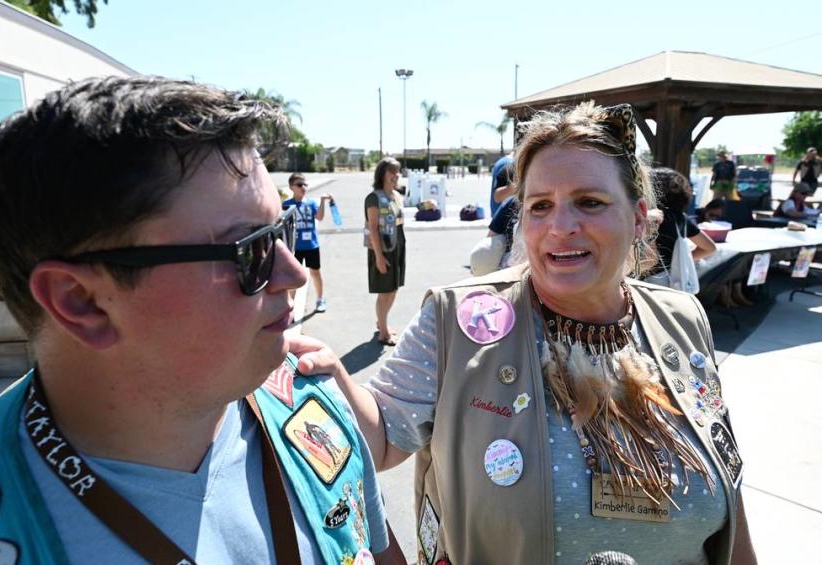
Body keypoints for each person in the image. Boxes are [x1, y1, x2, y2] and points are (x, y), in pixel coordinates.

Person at [0, 77, 404, 565]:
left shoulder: (313, 403)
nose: (292, 274)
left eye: (280, 230)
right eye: (251, 250)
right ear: (81, 302)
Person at [298, 102, 756, 564]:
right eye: (540, 206)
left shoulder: (682, 318)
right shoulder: (460, 319)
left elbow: (728, 490)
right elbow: (379, 437)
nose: (560, 227)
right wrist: (324, 383)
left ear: (639, 217)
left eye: (590, 202)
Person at [645, 167, 716, 287]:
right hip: (674, 282)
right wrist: (680, 261)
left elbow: (649, 260)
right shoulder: (680, 218)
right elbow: (709, 248)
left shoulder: (648, 217)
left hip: (648, 282)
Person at [365, 158, 405, 346]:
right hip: (383, 249)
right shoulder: (374, 198)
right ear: (382, 174)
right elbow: (373, 228)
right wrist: (379, 257)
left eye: (398, 172)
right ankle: (384, 333)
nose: (396, 176)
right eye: (392, 172)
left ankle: (382, 323)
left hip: (397, 246)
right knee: (386, 292)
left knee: (393, 289)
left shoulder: (396, 195)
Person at [283, 173, 333, 312]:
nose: (303, 187)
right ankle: (289, 305)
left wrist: (322, 201)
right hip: (294, 247)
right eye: (299, 185)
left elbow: (320, 217)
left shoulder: (311, 203)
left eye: (305, 184)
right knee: (293, 277)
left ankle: (320, 299)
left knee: (315, 272)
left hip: (311, 245)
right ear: (291, 187)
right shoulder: (286, 205)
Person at [469, 195, 520, 276]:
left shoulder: (511, 202)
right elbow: (491, 236)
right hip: (514, 262)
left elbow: (491, 236)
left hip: (522, 263)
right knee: (483, 253)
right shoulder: (511, 202)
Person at [489, 153, 515, 217]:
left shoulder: (502, 161)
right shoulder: (509, 163)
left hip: (496, 214)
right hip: (503, 217)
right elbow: (498, 196)